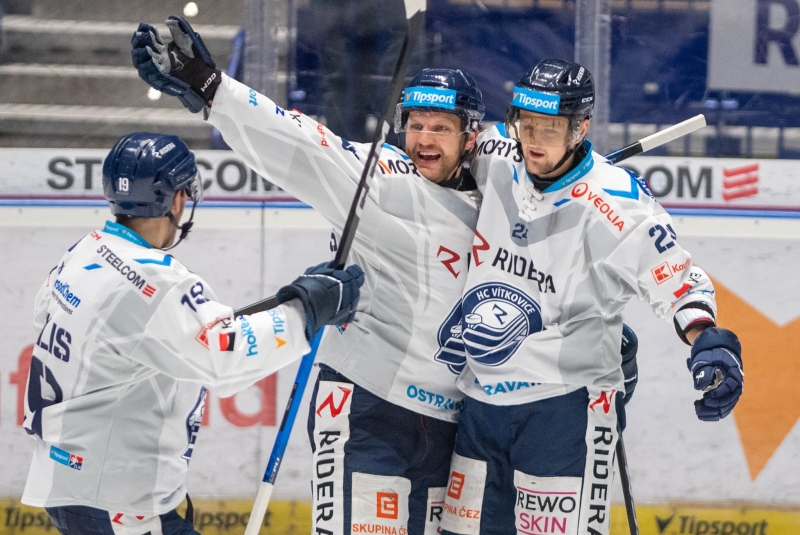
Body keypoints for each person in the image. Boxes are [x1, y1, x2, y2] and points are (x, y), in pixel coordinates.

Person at [130, 19, 641, 534]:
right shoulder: (382, 179)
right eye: (416, 125)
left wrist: (585, 334)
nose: (424, 139)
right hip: (368, 412)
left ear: (471, 137)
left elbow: (539, 277)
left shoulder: (503, 201)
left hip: (451, 428)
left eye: (440, 128)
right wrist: (213, 90)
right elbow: (301, 145)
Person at [439, 59, 744, 535]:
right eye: (527, 124)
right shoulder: (496, 152)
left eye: (551, 128)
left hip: (565, 407)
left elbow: (680, 282)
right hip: (480, 405)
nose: (533, 140)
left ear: (580, 128)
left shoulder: (619, 204)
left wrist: (709, 341)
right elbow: (436, 153)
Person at [20, 132, 364, 535]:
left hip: (66, 483)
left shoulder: (85, 251)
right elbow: (226, 359)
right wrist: (305, 312)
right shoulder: (155, 280)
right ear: (178, 200)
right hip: (115, 502)